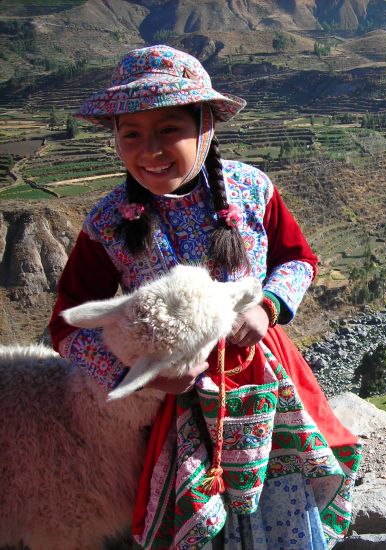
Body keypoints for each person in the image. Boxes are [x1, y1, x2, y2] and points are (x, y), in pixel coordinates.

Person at [48, 45, 360, 549]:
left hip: (265, 377)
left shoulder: (251, 189)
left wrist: (269, 307)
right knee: (197, 517)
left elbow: (298, 259)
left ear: (206, 125)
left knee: (281, 499)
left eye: (168, 129)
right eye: (131, 133)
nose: (149, 149)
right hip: (177, 400)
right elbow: (66, 324)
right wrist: (136, 376)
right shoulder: (107, 224)